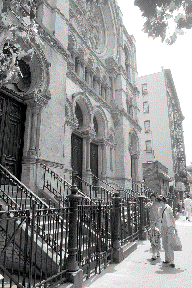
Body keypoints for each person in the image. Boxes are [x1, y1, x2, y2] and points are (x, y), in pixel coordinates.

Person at [156, 195, 177, 268]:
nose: (158, 204)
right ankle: (167, 259)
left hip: (170, 227)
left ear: (162, 202)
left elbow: (172, 218)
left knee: (169, 244)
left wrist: (174, 227)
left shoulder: (168, 208)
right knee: (164, 244)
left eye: (158, 202)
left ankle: (172, 261)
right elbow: (159, 219)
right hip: (163, 228)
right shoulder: (159, 209)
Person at [145, 193, 161, 258]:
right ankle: (153, 253)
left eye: (153, 197)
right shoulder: (150, 204)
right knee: (152, 237)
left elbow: (160, 213)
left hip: (157, 222)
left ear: (155, 197)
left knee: (157, 237)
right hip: (152, 222)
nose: (152, 199)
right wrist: (149, 203)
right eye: (151, 197)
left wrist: (157, 219)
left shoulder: (158, 204)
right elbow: (145, 206)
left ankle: (158, 252)